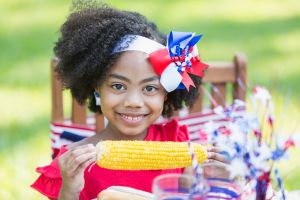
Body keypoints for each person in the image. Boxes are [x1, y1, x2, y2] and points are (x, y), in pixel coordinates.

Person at [31, 4, 226, 200]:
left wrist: (214, 179)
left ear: (165, 95)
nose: (133, 102)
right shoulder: (73, 164)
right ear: (96, 86)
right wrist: (70, 190)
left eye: (150, 88)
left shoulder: (177, 141)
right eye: (118, 86)